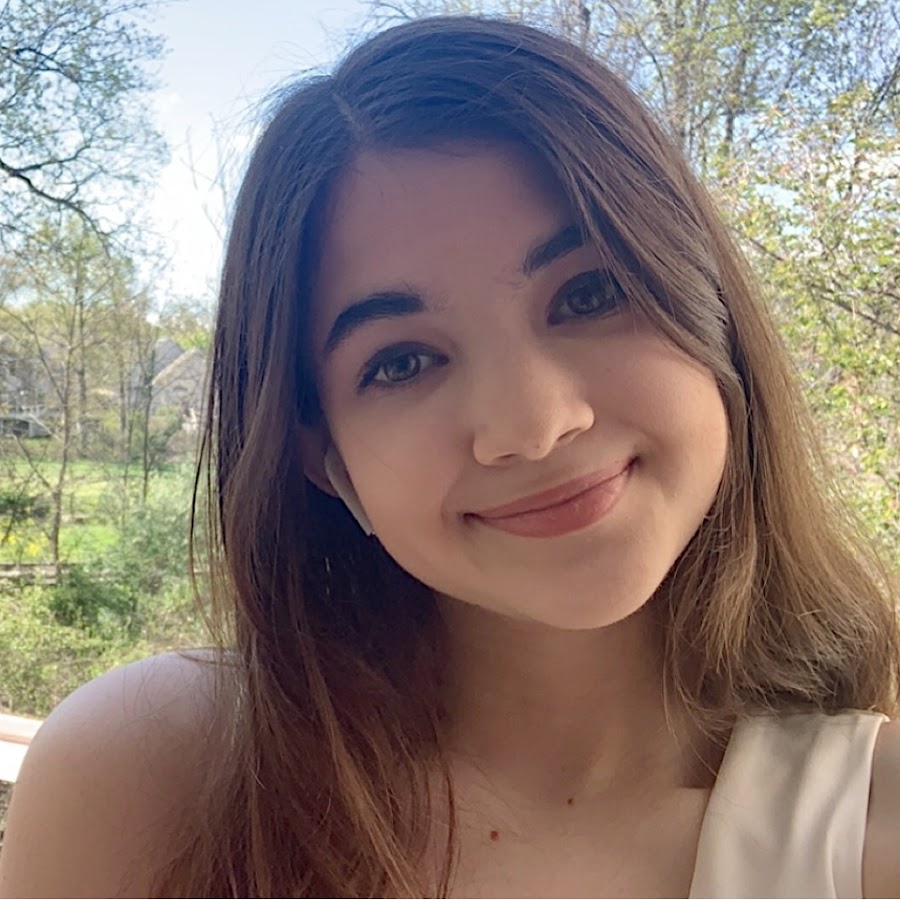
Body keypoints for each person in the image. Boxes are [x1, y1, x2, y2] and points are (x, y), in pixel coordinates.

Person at [1, 14, 899, 899]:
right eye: (402, 362)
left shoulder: (871, 836)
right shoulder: (150, 786)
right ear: (322, 456)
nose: (532, 426)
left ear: (711, 313)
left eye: (590, 294)